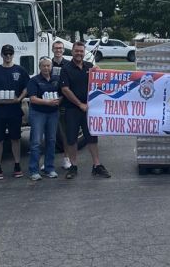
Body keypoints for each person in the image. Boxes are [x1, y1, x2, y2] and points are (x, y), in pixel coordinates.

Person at [60, 40, 111, 179]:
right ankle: (73, 166)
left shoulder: (89, 66)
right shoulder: (66, 68)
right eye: (76, 51)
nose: (79, 53)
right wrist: (79, 104)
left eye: (81, 51)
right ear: (72, 52)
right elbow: (65, 89)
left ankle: (97, 165)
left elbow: (101, 81)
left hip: (90, 109)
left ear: (84, 53)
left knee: (92, 137)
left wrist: (100, 73)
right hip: (72, 109)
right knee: (71, 139)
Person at [0, 45, 30, 180]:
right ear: (1, 55)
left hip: (15, 110)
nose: (8, 56)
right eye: (5, 54)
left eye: (10, 54)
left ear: (13, 54)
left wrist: (19, 98)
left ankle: (17, 164)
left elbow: (27, 87)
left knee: (16, 138)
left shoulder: (20, 70)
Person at [27, 57, 62, 181]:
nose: (46, 68)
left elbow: (62, 94)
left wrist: (58, 101)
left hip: (53, 113)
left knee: (51, 140)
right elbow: (32, 98)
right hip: (38, 113)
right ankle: (34, 171)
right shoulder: (34, 80)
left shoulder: (56, 80)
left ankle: (49, 168)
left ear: (51, 67)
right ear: (39, 67)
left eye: (48, 66)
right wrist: (47, 102)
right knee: (36, 142)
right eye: (44, 66)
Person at [51, 40, 71, 170]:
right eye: (56, 48)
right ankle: (47, 160)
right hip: (49, 102)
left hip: (64, 102)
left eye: (60, 48)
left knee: (64, 133)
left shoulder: (68, 64)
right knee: (49, 133)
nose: (58, 50)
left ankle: (66, 159)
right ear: (52, 49)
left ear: (63, 50)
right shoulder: (47, 63)